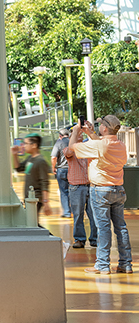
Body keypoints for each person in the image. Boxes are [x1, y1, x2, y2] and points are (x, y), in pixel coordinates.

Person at [69, 117, 132, 274]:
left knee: (103, 228)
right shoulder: (120, 145)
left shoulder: (98, 145)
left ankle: (102, 265)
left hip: (100, 191)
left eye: (101, 125)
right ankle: (126, 264)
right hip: (118, 189)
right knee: (121, 228)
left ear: (104, 128)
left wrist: (76, 130)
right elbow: (102, 146)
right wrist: (90, 133)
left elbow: (72, 147)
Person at [63, 127, 97, 249]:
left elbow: (97, 144)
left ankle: (95, 239)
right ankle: (79, 239)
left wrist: (89, 131)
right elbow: (69, 152)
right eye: (76, 134)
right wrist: (75, 133)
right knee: (78, 215)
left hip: (90, 185)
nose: (79, 135)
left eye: (81, 134)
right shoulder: (68, 149)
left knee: (94, 214)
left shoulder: (87, 148)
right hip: (76, 187)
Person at [11, 134, 51, 218]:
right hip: (29, 198)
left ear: (34, 145)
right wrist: (15, 155)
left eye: (26, 143)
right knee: (32, 223)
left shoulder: (40, 162)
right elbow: (18, 168)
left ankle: (47, 232)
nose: (24, 146)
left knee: (32, 223)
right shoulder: (30, 158)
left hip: (35, 199)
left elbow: (44, 182)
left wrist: (46, 202)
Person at [52, 128, 72, 217]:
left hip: (62, 169)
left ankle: (67, 212)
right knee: (73, 190)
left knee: (64, 191)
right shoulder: (73, 143)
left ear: (60, 135)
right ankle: (75, 211)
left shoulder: (58, 143)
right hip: (73, 170)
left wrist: (53, 168)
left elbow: (53, 157)